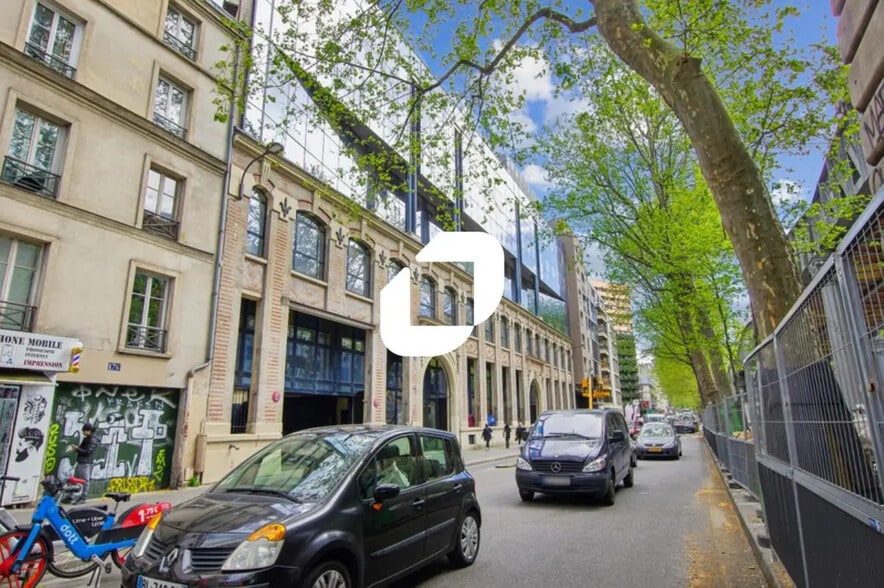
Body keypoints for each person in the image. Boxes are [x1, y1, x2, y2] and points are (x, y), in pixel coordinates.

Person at [69, 422, 100, 503]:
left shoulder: (92, 440)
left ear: (88, 431)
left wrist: (77, 449)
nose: (83, 432)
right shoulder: (88, 438)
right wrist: (77, 449)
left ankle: (83, 497)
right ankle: (71, 496)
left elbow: (87, 451)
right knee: (76, 479)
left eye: (84, 430)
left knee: (84, 480)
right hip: (82, 461)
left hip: (85, 462)